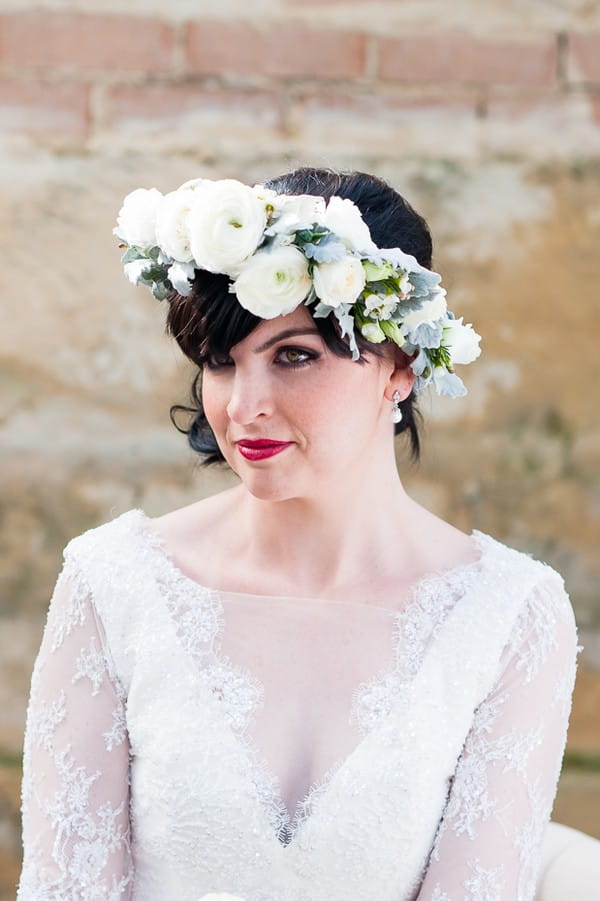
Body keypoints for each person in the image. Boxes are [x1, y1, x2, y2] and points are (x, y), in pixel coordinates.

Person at [17, 168, 583, 900]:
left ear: (401, 367)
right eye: (222, 362)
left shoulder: (510, 615)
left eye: (294, 355)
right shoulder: (113, 583)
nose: (244, 405)